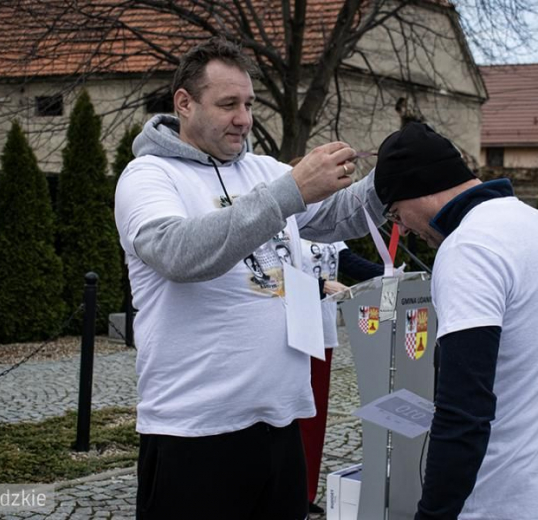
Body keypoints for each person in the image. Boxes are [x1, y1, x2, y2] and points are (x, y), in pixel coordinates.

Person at [114, 37, 384, 520]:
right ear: (185, 103)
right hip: (193, 433)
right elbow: (178, 253)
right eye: (228, 104)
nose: (244, 118)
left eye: (248, 104)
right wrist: (289, 192)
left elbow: (339, 217)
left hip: (279, 427)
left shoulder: (262, 169)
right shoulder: (148, 176)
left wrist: (396, 179)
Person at [373, 122, 538, 520]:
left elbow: (463, 411)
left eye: (395, 212)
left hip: (495, 499)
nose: (401, 228)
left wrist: (433, 514)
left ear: (416, 187)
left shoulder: (470, 249)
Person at [299, 240, 383, 514]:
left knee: (315, 417)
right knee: (292, 417)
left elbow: (352, 264)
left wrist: (391, 273)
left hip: (322, 332)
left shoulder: (327, 230)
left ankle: (306, 490)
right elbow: (274, 276)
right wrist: (321, 285)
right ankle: (287, 489)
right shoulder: (284, 224)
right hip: (294, 332)